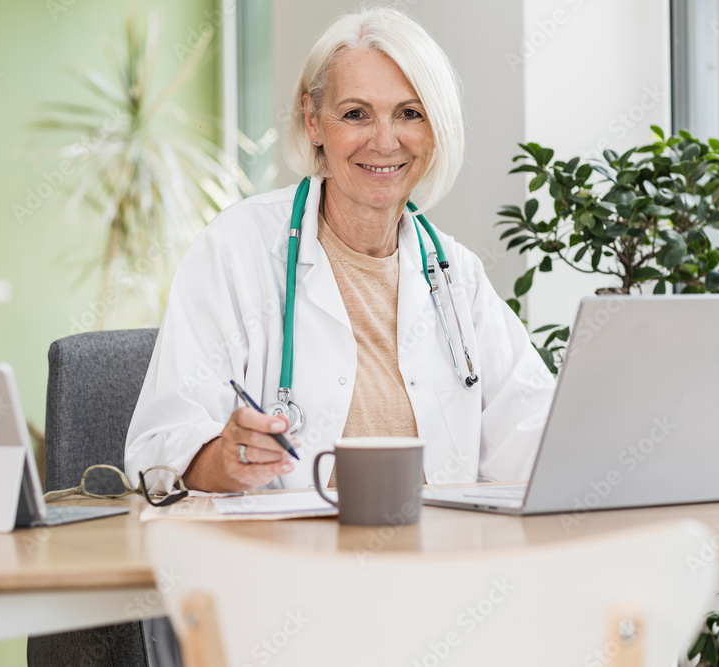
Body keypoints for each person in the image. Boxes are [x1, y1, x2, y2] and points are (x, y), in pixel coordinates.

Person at [125, 7, 555, 494]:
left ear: (434, 130)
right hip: (287, 558)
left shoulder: (457, 276)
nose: (385, 141)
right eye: (356, 114)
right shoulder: (236, 250)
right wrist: (224, 458)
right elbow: (159, 447)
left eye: (409, 113)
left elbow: (536, 432)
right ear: (313, 122)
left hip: (436, 553)